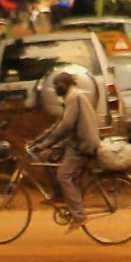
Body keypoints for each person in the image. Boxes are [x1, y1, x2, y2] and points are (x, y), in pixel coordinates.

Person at [35, 65, 102, 225]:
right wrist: (39, 141)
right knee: (46, 156)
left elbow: (65, 126)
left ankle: (79, 216)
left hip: (82, 145)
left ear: (66, 84)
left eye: (58, 85)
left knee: (63, 175)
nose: (56, 88)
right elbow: (57, 125)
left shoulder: (74, 97)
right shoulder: (70, 97)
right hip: (73, 143)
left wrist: (47, 143)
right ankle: (59, 194)